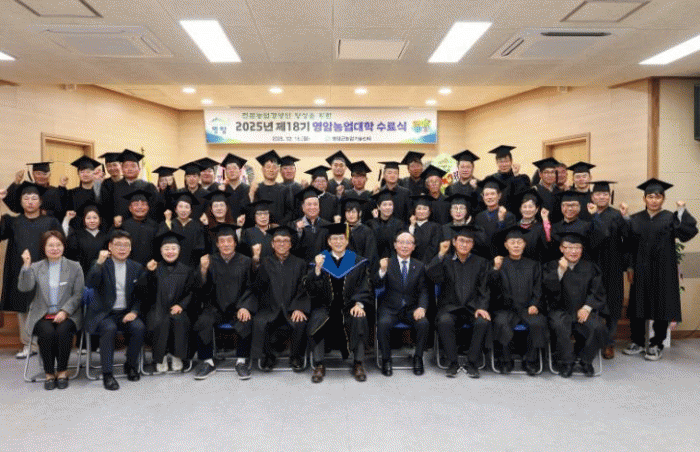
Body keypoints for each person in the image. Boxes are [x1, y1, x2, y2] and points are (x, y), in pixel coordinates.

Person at [623, 178, 697, 361]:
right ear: (644, 199)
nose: (654, 200)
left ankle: (657, 344)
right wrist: (630, 267)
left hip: (663, 270)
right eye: (650, 196)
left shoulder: (670, 218)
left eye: (658, 197)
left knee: (662, 306)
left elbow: (686, 233)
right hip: (640, 269)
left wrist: (681, 211)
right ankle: (638, 341)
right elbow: (628, 244)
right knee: (638, 305)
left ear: (663, 199)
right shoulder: (635, 219)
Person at [0, 182, 62, 359]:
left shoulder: (50, 222)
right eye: (26, 198)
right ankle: (28, 344)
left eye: (34, 198)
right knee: (23, 308)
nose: (30, 202)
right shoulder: (13, 222)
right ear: (20, 202)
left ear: (40, 202)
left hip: (46, 270)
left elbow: (60, 243)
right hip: (20, 271)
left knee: (47, 307)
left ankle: (47, 343)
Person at [305, 223, 373, 383]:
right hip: (326, 306)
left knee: (359, 318)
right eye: (334, 239)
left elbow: (365, 285)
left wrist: (359, 304)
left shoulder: (357, 261)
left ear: (347, 241)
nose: (338, 242)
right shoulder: (319, 260)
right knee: (317, 318)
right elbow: (310, 290)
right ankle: (319, 365)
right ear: (329, 242)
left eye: (341, 238)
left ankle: (358, 363)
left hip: (349, 306)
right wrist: (317, 270)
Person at [18, 230, 84, 390]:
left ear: (63, 246)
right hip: (42, 314)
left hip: (68, 314)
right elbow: (24, 287)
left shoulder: (74, 267)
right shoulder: (36, 267)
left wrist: (65, 311)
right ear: (44, 247)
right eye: (50, 245)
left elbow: (78, 294)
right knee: (46, 332)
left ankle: (62, 371)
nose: (55, 248)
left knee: (63, 331)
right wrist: (26, 266)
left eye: (58, 245)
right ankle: (49, 373)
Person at [84, 230, 148, 390]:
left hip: (125, 312)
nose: (122, 248)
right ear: (110, 247)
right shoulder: (100, 264)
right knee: (109, 328)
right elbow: (90, 284)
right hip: (104, 313)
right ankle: (107, 374)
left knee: (139, 327)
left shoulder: (136, 267)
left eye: (126, 245)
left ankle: (130, 365)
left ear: (131, 248)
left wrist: (134, 311)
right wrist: (99, 262)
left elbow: (140, 295)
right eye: (118, 244)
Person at [427, 224, 491, 378]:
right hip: (450, 307)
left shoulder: (481, 262)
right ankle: (452, 362)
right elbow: (432, 275)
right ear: (454, 242)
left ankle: (472, 363)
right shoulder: (445, 260)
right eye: (461, 240)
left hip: (472, 308)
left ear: (473, 244)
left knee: (482, 322)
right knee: (444, 321)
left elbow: (484, 288)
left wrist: (482, 307)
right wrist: (440, 254)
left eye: (468, 241)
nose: (464, 244)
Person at [193, 224, 256, 380]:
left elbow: (251, 288)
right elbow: (200, 289)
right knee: (203, 320)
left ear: (235, 243)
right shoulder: (209, 261)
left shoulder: (246, 261)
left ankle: (241, 362)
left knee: (246, 319)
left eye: (229, 241)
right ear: (217, 244)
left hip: (238, 307)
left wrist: (245, 307)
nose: (226, 244)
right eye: (222, 241)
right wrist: (203, 270)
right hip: (215, 307)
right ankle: (208, 362)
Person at [543, 232, 607, 377]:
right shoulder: (551, 266)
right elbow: (547, 290)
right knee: (560, 326)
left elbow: (597, 291)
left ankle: (586, 360)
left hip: (582, 311)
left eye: (577, 248)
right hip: (560, 311)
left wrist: (587, 308)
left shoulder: (590, 268)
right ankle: (567, 362)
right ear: (561, 249)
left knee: (598, 327)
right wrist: (560, 271)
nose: (574, 251)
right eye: (569, 247)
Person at [250, 226, 310, 372]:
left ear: (291, 244)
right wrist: (256, 261)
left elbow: (304, 288)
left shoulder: (300, 263)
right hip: (270, 308)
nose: (281, 244)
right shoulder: (265, 262)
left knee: (300, 321)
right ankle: (268, 357)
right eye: (277, 241)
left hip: (291, 308)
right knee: (260, 321)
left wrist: (299, 307)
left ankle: (296, 357)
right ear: (272, 244)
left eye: (285, 241)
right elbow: (257, 286)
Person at [491, 226, 546, 376]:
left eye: (519, 242)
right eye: (512, 242)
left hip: (527, 308)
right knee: (501, 322)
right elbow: (491, 288)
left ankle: (530, 361)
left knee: (538, 322)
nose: (516, 245)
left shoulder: (533, 265)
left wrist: (535, 304)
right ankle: (505, 360)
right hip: (505, 308)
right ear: (506, 245)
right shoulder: (500, 263)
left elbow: (538, 288)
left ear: (524, 244)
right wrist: (495, 269)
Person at [375, 231, 430, 376]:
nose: (404, 246)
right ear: (395, 245)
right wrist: (382, 270)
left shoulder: (419, 266)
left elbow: (424, 290)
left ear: (414, 247)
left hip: (412, 309)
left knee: (423, 323)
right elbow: (376, 285)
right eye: (401, 242)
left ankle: (418, 358)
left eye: (408, 243)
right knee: (383, 323)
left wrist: (422, 307)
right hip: (390, 308)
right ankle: (386, 359)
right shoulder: (387, 263)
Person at [588, 181, 630, 359]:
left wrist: (626, 218)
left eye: (605, 194)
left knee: (613, 304)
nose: (601, 197)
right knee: (591, 303)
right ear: (592, 196)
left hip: (613, 265)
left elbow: (628, 238)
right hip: (592, 265)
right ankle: (591, 341)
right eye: (598, 194)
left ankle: (609, 343)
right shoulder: (586, 213)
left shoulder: (616, 215)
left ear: (609, 196)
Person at [144, 231, 196, 374]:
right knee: (159, 320)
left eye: (173, 248)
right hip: (157, 308)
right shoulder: (154, 268)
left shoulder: (187, 270)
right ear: (161, 251)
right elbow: (146, 291)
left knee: (179, 320)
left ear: (179, 251)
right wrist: (149, 273)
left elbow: (191, 292)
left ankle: (176, 355)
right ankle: (160, 358)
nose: (170, 252)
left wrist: (181, 305)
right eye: (166, 249)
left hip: (178, 309)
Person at [100, 149, 162, 224]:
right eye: (126, 166)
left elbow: (156, 210)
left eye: (133, 166)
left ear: (139, 169)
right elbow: (107, 211)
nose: (130, 169)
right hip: (121, 227)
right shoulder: (113, 187)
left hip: (144, 227)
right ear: (122, 169)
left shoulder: (149, 187)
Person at [159, 191, 206, 269]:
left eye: (187, 207)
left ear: (191, 210)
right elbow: (161, 243)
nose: (183, 210)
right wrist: (167, 221)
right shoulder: (170, 224)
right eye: (180, 206)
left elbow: (201, 248)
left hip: (192, 267)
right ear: (176, 209)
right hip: (171, 267)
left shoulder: (197, 226)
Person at [474, 176, 517, 258]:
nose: (489, 197)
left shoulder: (509, 216)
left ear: (499, 195)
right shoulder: (479, 217)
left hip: (503, 258)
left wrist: (501, 221)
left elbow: (506, 241)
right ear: (483, 197)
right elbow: (479, 242)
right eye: (486, 194)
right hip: (484, 258)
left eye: (492, 194)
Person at [115, 189, 158, 265]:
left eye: (143, 204)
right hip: (128, 266)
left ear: (148, 207)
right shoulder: (124, 226)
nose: (140, 207)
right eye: (136, 204)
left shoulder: (155, 226)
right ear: (130, 208)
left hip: (151, 267)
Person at [65, 202, 109, 275]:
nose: (92, 221)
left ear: (100, 219)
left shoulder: (106, 236)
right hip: (81, 274)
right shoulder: (76, 236)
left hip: (102, 274)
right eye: (88, 218)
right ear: (84, 219)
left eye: (95, 218)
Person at [290, 186, 331, 263]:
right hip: (301, 266)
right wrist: (298, 232)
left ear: (319, 207)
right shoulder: (294, 225)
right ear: (303, 207)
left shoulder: (327, 226)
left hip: (323, 265)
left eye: (315, 204)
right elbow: (292, 249)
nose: (312, 207)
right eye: (309, 204)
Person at [486, 145, 530, 213]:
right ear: (496, 162)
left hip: (516, 216)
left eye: (506, 161)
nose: (504, 164)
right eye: (501, 162)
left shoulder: (523, 178)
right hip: (496, 216)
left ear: (511, 161)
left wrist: (516, 175)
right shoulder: (491, 180)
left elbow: (523, 198)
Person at [253, 150, 293, 225]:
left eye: (274, 167)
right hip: (261, 228)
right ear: (263, 169)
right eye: (268, 167)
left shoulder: (285, 189)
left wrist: (279, 225)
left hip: (280, 229)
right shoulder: (257, 189)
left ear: (278, 170)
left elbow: (290, 212)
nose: (271, 170)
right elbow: (252, 211)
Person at [342, 195, 378, 275]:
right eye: (348, 212)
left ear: (360, 213)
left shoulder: (367, 231)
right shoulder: (340, 230)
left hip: (361, 273)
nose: (351, 215)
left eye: (354, 212)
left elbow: (370, 254)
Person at [65, 156, 102, 229]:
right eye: (82, 172)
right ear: (78, 174)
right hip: (77, 230)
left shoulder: (101, 191)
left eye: (88, 172)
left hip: (98, 231)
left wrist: (98, 183)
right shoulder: (71, 193)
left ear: (94, 173)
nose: (85, 174)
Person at [367, 189, 405, 259]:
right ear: (378, 207)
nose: (388, 207)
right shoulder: (370, 224)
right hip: (375, 260)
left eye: (390, 204)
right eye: (384, 205)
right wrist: (376, 221)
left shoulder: (399, 224)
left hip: (394, 260)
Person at [408, 194, 441, 263]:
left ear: (429, 212)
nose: (421, 211)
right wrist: (412, 225)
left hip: (429, 264)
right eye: (419, 208)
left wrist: (422, 265)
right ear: (414, 211)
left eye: (425, 209)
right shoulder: (409, 227)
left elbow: (434, 248)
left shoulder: (435, 227)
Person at [220, 153, 251, 221]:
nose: (231, 171)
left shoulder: (248, 189)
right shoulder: (222, 190)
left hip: (245, 225)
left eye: (234, 168)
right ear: (225, 172)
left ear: (240, 171)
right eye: (228, 169)